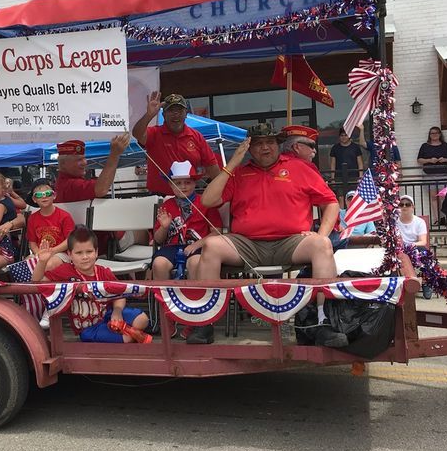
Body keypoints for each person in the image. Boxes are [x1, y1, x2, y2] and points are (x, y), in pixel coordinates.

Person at [198, 123, 342, 346]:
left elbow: (331, 202)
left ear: (278, 144)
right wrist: (233, 162)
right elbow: (207, 201)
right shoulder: (239, 172)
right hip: (247, 244)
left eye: (270, 142)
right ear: (249, 148)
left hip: (291, 242)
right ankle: (203, 323)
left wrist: (320, 233)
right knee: (212, 246)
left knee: (322, 245)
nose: (265, 148)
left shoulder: (300, 168)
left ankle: (324, 322)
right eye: (258, 144)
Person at [32, 226, 151, 342]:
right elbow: (36, 282)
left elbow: (119, 295)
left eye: (89, 252)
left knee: (142, 320)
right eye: (79, 253)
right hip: (88, 328)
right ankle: (127, 332)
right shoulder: (65, 271)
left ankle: (124, 329)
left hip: (109, 315)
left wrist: (117, 312)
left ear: (96, 252)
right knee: (128, 338)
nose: (85, 257)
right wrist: (42, 262)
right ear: (69, 254)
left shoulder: (104, 272)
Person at [131, 92, 221, 194]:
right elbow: (137, 134)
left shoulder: (196, 137)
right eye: (171, 110)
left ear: (186, 114)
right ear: (164, 114)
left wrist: (221, 191)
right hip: (160, 196)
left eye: (179, 110)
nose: (176, 114)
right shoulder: (154, 133)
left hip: (188, 196)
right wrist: (149, 115)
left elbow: (212, 166)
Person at [151, 161, 223, 282]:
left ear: (195, 183)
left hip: (199, 247)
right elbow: (158, 240)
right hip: (171, 247)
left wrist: (196, 245)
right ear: (171, 185)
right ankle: (163, 299)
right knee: (159, 264)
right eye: (178, 183)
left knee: (195, 263)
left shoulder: (206, 202)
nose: (183, 186)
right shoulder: (166, 205)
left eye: (187, 182)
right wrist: (164, 227)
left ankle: (193, 298)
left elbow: (217, 232)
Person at [54, 135, 131, 203]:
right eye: (79, 160)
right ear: (63, 164)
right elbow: (101, 189)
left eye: (84, 158)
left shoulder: (65, 182)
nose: (85, 162)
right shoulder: (70, 185)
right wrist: (114, 154)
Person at [24, 178, 75, 271]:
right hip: (40, 252)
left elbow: (69, 241)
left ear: (54, 195)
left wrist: (52, 251)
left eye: (48, 193)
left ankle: (42, 285)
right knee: (26, 264)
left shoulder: (64, 216)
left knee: (49, 265)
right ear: (34, 199)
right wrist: (38, 253)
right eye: (39, 195)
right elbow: (32, 243)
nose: (44, 197)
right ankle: (33, 285)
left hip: (61, 253)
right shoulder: (32, 218)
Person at [417, 126, 447, 224]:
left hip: (443, 174)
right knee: (433, 197)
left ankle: (445, 218)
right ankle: (437, 219)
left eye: (436, 133)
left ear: (440, 134)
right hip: (429, 174)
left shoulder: (445, 145)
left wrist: (444, 159)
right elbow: (419, 160)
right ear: (429, 135)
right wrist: (429, 160)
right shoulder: (425, 146)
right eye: (432, 133)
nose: (434, 135)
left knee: (443, 197)